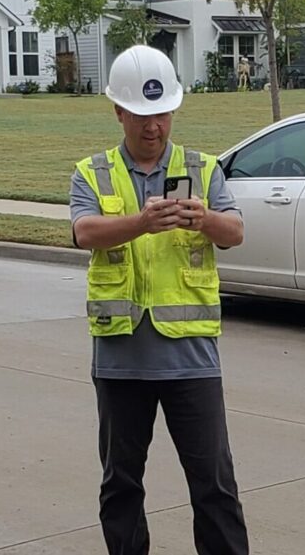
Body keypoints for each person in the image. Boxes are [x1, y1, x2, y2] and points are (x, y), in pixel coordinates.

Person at [69, 45, 249, 555]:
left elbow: (235, 231)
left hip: (191, 357)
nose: (154, 127)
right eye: (143, 116)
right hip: (122, 359)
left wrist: (205, 219)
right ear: (119, 112)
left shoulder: (204, 169)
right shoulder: (93, 173)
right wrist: (141, 223)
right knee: (121, 485)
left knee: (214, 486)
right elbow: (84, 232)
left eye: (163, 114)